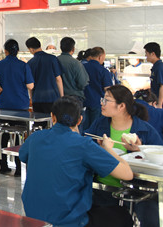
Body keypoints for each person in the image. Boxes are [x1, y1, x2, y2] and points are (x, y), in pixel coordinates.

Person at [20, 96, 134, 227]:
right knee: (122, 216)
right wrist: (108, 149)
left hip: (33, 218)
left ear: (53, 117)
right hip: (68, 222)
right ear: (80, 120)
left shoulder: (35, 137)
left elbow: (23, 155)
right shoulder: (84, 144)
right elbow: (127, 174)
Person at [85, 85, 163, 227]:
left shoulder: (145, 130)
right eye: (103, 99)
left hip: (137, 192)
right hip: (103, 190)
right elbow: (84, 148)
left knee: (151, 216)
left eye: (106, 100)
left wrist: (140, 150)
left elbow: (161, 161)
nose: (102, 103)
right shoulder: (99, 125)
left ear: (121, 106)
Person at [0, 39, 34, 175]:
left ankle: (3, 165)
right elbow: (30, 85)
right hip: (21, 106)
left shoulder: (0, 65)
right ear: (18, 51)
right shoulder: (23, 66)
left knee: (4, 135)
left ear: (5, 51)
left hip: (5, 105)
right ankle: (18, 167)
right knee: (19, 136)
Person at [135, 89, 163, 155]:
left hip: (130, 156)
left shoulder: (125, 111)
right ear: (154, 103)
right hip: (162, 156)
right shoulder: (160, 114)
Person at [25, 37, 63, 115]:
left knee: (39, 121)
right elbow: (58, 79)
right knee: (52, 120)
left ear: (31, 49)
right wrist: (62, 96)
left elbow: (30, 85)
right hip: (52, 98)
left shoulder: (30, 63)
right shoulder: (52, 59)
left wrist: (31, 98)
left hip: (37, 99)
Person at [82, 47, 113, 131]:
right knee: (95, 129)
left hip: (83, 102)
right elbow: (108, 89)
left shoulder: (82, 67)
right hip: (98, 103)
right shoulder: (103, 71)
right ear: (100, 57)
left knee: (84, 128)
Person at [56, 37, 89, 108]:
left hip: (57, 98)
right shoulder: (76, 63)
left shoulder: (54, 61)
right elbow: (82, 83)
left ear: (60, 47)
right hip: (74, 98)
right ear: (73, 49)